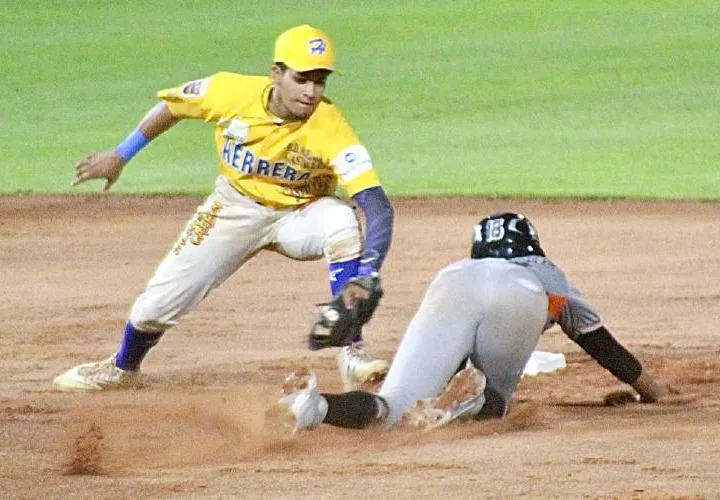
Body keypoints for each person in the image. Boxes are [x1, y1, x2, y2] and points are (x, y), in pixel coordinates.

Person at [53, 24, 394, 393]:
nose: (311, 91)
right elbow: (172, 106)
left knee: (341, 220)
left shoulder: (331, 127)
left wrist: (368, 273)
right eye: (301, 79)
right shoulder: (228, 92)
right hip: (234, 207)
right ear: (276, 74)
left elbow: (376, 205)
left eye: (319, 81)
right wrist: (121, 155)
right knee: (155, 306)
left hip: (301, 214)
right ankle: (123, 368)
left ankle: (352, 352)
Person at [268, 212, 671, 432]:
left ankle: (316, 408)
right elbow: (600, 344)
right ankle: (472, 400)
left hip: (452, 283)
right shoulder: (548, 274)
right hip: (522, 295)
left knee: (393, 407)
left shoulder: (465, 266)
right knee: (493, 408)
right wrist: (651, 391)